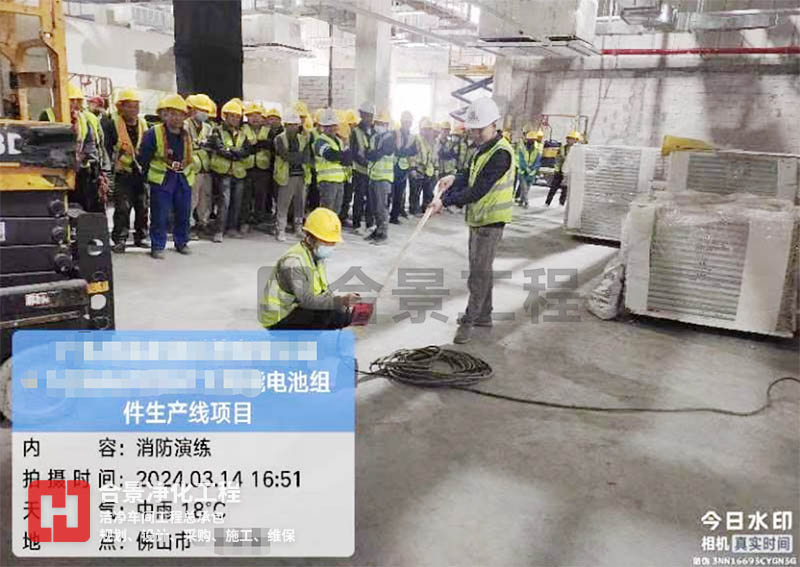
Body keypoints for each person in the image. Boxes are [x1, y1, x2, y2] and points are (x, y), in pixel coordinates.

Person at [429, 97, 514, 345]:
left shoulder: (501, 154)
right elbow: (471, 174)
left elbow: (478, 189)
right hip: (479, 218)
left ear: (494, 125)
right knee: (482, 271)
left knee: (478, 274)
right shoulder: (484, 148)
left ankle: (469, 321)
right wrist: (454, 178)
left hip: (491, 221)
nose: (475, 134)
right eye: (473, 129)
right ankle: (483, 315)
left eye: (480, 129)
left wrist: (444, 202)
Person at [260, 208, 359, 330]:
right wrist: (340, 301)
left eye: (333, 242)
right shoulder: (294, 262)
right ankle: (296, 339)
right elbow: (306, 300)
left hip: (295, 307)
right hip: (279, 317)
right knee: (324, 313)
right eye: (327, 242)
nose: (331, 246)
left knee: (341, 316)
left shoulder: (315, 255)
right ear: (311, 238)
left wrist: (342, 304)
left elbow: (323, 289)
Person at [138, 94, 199, 259]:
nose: (176, 118)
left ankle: (182, 242)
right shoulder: (153, 133)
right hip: (162, 179)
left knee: (183, 212)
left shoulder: (186, 134)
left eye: (180, 114)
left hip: (183, 178)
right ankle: (157, 246)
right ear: (164, 114)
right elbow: (144, 157)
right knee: (160, 214)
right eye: (172, 113)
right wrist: (145, 179)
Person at [102, 87, 149, 252]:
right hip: (122, 173)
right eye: (129, 106)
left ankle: (141, 236)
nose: (133, 110)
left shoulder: (143, 124)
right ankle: (120, 239)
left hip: (140, 173)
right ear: (120, 107)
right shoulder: (111, 125)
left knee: (142, 207)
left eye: (136, 106)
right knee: (123, 207)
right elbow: (107, 148)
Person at [208, 98, 251, 242]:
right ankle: (219, 230)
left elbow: (246, 151)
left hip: (238, 173)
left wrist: (231, 151)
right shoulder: (217, 131)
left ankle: (232, 228)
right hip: (223, 172)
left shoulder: (243, 134)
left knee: (237, 202)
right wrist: (235, 152)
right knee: (224, 202)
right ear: (225, 116)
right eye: (232, 116)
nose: (235, 119)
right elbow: (220, 149)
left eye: (237, 117)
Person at [272, 111, 310, 242]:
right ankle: (280, 229)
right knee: (283, 204)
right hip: (285, 175)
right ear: (285, 125)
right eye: (290, 125)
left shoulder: (303, 139)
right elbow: (285, 156)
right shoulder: (279, 139)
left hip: (301, 175)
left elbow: (306, 157)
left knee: (300, 204)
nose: (292, 127)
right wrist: (298, 157)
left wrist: (296, 157)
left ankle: (298, 228)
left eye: (295, 125)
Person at [184, 93, 215, 239]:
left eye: (206, 111)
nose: (204, 113)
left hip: (205, 167)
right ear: (193, 110)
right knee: (191, 198)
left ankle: (203, 223)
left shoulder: (208, 127)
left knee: (205, 197)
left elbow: (211, 144)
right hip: (192, 167)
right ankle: (188, 225)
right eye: (201, 110)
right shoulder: (185, 125)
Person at [314, 108, 352, 214]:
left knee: (336, 211)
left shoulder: (339, 141)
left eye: (333, 125)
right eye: (328, 126)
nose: (331, 128)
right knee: (327, 211)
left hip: (340, 181)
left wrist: (341, 156)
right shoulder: (320, 141)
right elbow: (330, 155)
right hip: (327, 182)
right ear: (323, 127)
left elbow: (348, 159)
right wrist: (342, 156)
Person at [365, 111, 395, 245]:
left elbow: (378, 154)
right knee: (374, 207)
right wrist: (372, 154)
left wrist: (372, 154)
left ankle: (383, 234)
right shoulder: (374, 137)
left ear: (387, 125)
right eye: (377, 123)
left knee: (381, 207)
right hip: (373, 176)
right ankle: (377, 230)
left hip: (384, 178)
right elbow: (368, 153)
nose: (379, 125)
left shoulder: (389, 139)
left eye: (382, 123)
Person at [349, 101, 374, 236]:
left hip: (372, 171)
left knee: (371, 198)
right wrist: (364, 162)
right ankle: (356, 224)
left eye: (370, 115)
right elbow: (354, 152)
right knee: (359, 197)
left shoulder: (374, 131)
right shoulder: (355, 131)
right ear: (361, 115)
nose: (369, 118)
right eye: (366, 115)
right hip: (359, 169)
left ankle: (370, 223)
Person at [390, 110, 418, 224]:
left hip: (403, 169)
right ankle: (385, 215)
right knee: (389, 193)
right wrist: (403, 151)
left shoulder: (412, 137)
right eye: (405, 122)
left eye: (409, 122)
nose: (407, 124)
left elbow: (413, 153)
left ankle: (394, 217)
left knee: (399, 194)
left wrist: (412, 169)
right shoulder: (395, 133)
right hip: (393, 167)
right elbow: (392, 149)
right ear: (401, 122)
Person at [240, 102, 264, 234]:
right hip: (247, 168)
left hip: (263, 169)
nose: (255, 118)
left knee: (261, 196)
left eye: (257, 115)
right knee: (246, 197)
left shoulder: (267, 130)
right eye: (251, 115)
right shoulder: (242, 129)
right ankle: (244, 221)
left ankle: (258, 221)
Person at [546, 130, 582, 207]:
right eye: (569, 138)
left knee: (565, 189)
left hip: (569, 172)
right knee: (553, 187)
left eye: (571, 138)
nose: (569, 140)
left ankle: (561, 203)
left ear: (576, 140)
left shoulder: (579, 150)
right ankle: (547, 203)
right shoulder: (563, 148)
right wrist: (557, 169)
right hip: (560, 171)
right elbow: (558, 159)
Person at [408, 117, 436, 215]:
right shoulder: (416, 139)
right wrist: (412, 169)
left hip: (427, 170)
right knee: (415, 192)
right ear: (421, 129)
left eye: (429, 129)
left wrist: (434, 169)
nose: (427, 132)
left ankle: (425, 209)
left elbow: (432, 156)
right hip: (417, 169)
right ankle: (414, 210)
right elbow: (411, 155)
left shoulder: (431, 142)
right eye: (425, 129)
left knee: (428, 192)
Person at [338, 109, 359, 226]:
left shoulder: (353, 136)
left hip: (349, 172)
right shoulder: (340, 136)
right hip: (339, 173)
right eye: (351, 124)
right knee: (340, 197)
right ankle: (338, 218)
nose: (353, 126)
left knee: (347, 196)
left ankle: (343, 217)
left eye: (354, 124)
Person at [517, 129, 544, 208]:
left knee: (527, 188)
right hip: (523, 171)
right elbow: (521, 160)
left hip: (532, 172)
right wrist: (526, 168)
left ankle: (521, 200)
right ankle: (526, 202)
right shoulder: (522, 148)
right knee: (524, 187)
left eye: (532, 140)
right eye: (529, 139)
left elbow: (538, 161)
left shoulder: (537, 149)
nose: (531, 141)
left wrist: (533, 169)